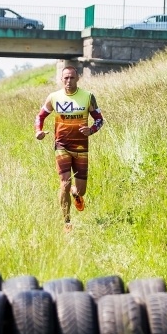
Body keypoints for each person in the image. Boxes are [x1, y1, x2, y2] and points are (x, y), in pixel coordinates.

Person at [35, 66, 105, 230]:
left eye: (72, 78)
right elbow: (40, 116)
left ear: (77, 78)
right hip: (62, 146)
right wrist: (38, 131)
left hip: (81, 148)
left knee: (80, 190)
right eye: (65, 78)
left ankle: (76, 193)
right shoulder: (54, 97)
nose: (68, 81)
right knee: (64, 184)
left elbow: (99, 120)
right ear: (61, 79)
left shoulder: (88, 97)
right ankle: (67, 223)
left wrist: (92, 130)